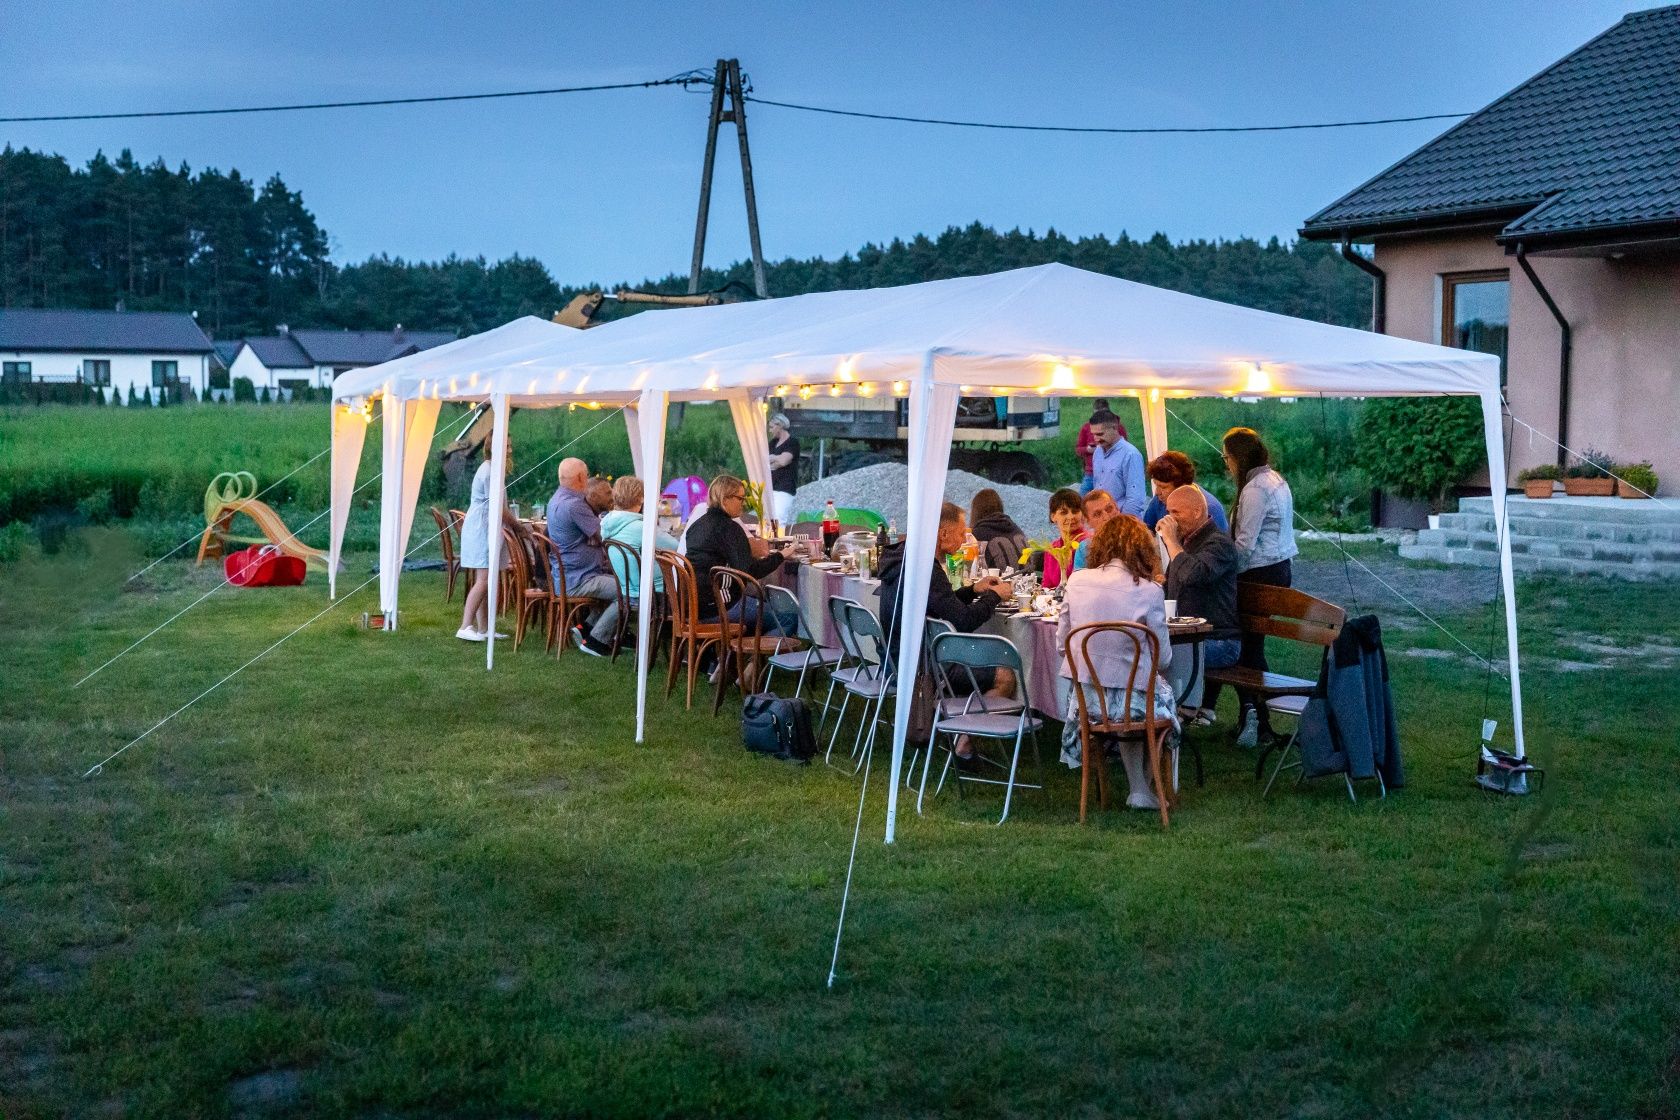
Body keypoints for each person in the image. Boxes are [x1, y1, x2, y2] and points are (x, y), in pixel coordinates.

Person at [876, 501, 1015, 761]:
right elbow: (963, 621)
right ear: (943, 534)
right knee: (1005, 676)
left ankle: (956, 725)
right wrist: (995, 596)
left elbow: (941, 603)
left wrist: (973, 590)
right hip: (924, 669)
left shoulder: (906, 558)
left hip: (896, 659)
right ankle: (964, 743)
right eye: (962, 533)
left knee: (973, 658)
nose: (965, 539)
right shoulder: (926, 568)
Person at [1055, 514, 1178, 807]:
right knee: (1161, 699)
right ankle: (1142, 789)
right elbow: (1164, 659)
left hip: (1087, 704)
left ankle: (1140, 790)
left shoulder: (1077, 581)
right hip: (1134, 703)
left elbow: (1063, 645)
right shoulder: (1150, 591)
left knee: (1129, 693)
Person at [1223, 427, 1299, 746]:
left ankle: (1257, 720)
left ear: (1238, 458)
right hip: (1277, 567)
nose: (1225, 464)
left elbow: (1244, 545)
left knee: (1248, 648)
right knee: (1251, 647)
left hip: (1260, 573)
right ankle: (1251, 718)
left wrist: (1224, 575)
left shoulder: (1256, 489)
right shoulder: (1275, 479)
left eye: (1226, 457)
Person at [1157, 484, 1241, 724]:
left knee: (1162, 657)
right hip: (1188, 638)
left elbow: (1194, 575)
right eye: (1168, 512)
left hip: (1220, 641)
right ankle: (1156, 717)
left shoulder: (1219, 544)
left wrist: (1172, 543)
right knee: (1148, 650)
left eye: (1176, 513)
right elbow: (1171, 587)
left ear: (1196, 512)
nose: (1169, 519)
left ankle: (1177, 716)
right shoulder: (1188, 543)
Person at [684, 473, 796, 634]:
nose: (743, 504)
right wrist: (781, 555)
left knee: (757, 611)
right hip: (720, 608)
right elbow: (749, 571)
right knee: (790, 619)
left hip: (693, 607)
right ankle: (755, 658)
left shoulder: (696, 526)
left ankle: (739, 656)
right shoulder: (729, 528)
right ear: (725, 499)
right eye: (740, 498)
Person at [590, 476, 682, 653]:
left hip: (626, 591)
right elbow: (679, 549)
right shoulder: (643, 529)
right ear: (641, 499)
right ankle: (696, 652)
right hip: (654, 595)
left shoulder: (608, 524)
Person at [545, 457, 623, 657]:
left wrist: (593, 540)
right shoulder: (575, 505)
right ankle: (597, 640)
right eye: (587, 475)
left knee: (616, 581)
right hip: (579, 579)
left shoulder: (556, 499)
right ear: (580, 477)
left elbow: (595, 537)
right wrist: (596, 540)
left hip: (566, 575)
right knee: (627, 590)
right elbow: (604, 537)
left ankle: (585, 629)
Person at [456, 441, 512, 642]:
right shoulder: (489, 471)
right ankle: (465, 625)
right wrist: (518, 526)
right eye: (507, 446)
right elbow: (499, 508)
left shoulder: (492, 469)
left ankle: (484, 629)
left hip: (485, 525)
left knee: (486, 579)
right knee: (484, 579)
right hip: (482, 528)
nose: (510, 450)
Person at [1141, 450, 1229, 533]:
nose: (1157, 492)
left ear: (1182, 487)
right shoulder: (1159, 501)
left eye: (1163, 487)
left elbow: (1220, 546)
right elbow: (1145, 532)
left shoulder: (1211, 508)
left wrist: (1172, 542)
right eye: (1156, 485)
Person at [1088, 409, 1148, 519]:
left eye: (1100, 434)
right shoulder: (1098, 452)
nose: (1096, 439)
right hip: (1103, 522)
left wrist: (1123, 525)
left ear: (1115, 428)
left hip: (1122, 523)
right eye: (1093, 435)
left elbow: (1135, 499)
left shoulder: (1130, 454)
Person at [1039, 488, 1088, 590]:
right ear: (1053, 517)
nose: (1071, 517)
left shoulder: (1087, 544)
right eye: (1064, 512)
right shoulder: (1052, 548)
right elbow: (1046, 586)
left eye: (1075, 511)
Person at [969, 488, 1028, 572]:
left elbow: (970, 571)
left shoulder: (977, 535)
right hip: (1028, 583)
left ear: (975, 512)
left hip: (997, 583)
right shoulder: (1017, 530)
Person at [1070, 488, 1120, 571]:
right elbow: (1079, 582)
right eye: (1097, 514)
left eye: (1109, 509)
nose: (1106, 517)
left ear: (1117, 509)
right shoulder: (1084, 548)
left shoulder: (1136, 539)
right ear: (1087, 521)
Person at [767, 412, 800, 526]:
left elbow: (783, 461)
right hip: (771, 487)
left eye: (772, 427)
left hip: (784, 488)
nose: (770, 430)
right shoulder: (772, 443)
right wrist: (775, 460)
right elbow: (766, 462)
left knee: (779, 518)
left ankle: (779, 542)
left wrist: (773, 458)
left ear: (779, 426)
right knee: (768, 520)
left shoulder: (792, 442)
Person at [1074, 398, 1109, 494]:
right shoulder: (1086, 427)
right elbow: (1078, 449)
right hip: (1091, 472)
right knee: (1082, 501)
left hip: (1110, 473)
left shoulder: (1116, 428)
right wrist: (1088, 450)